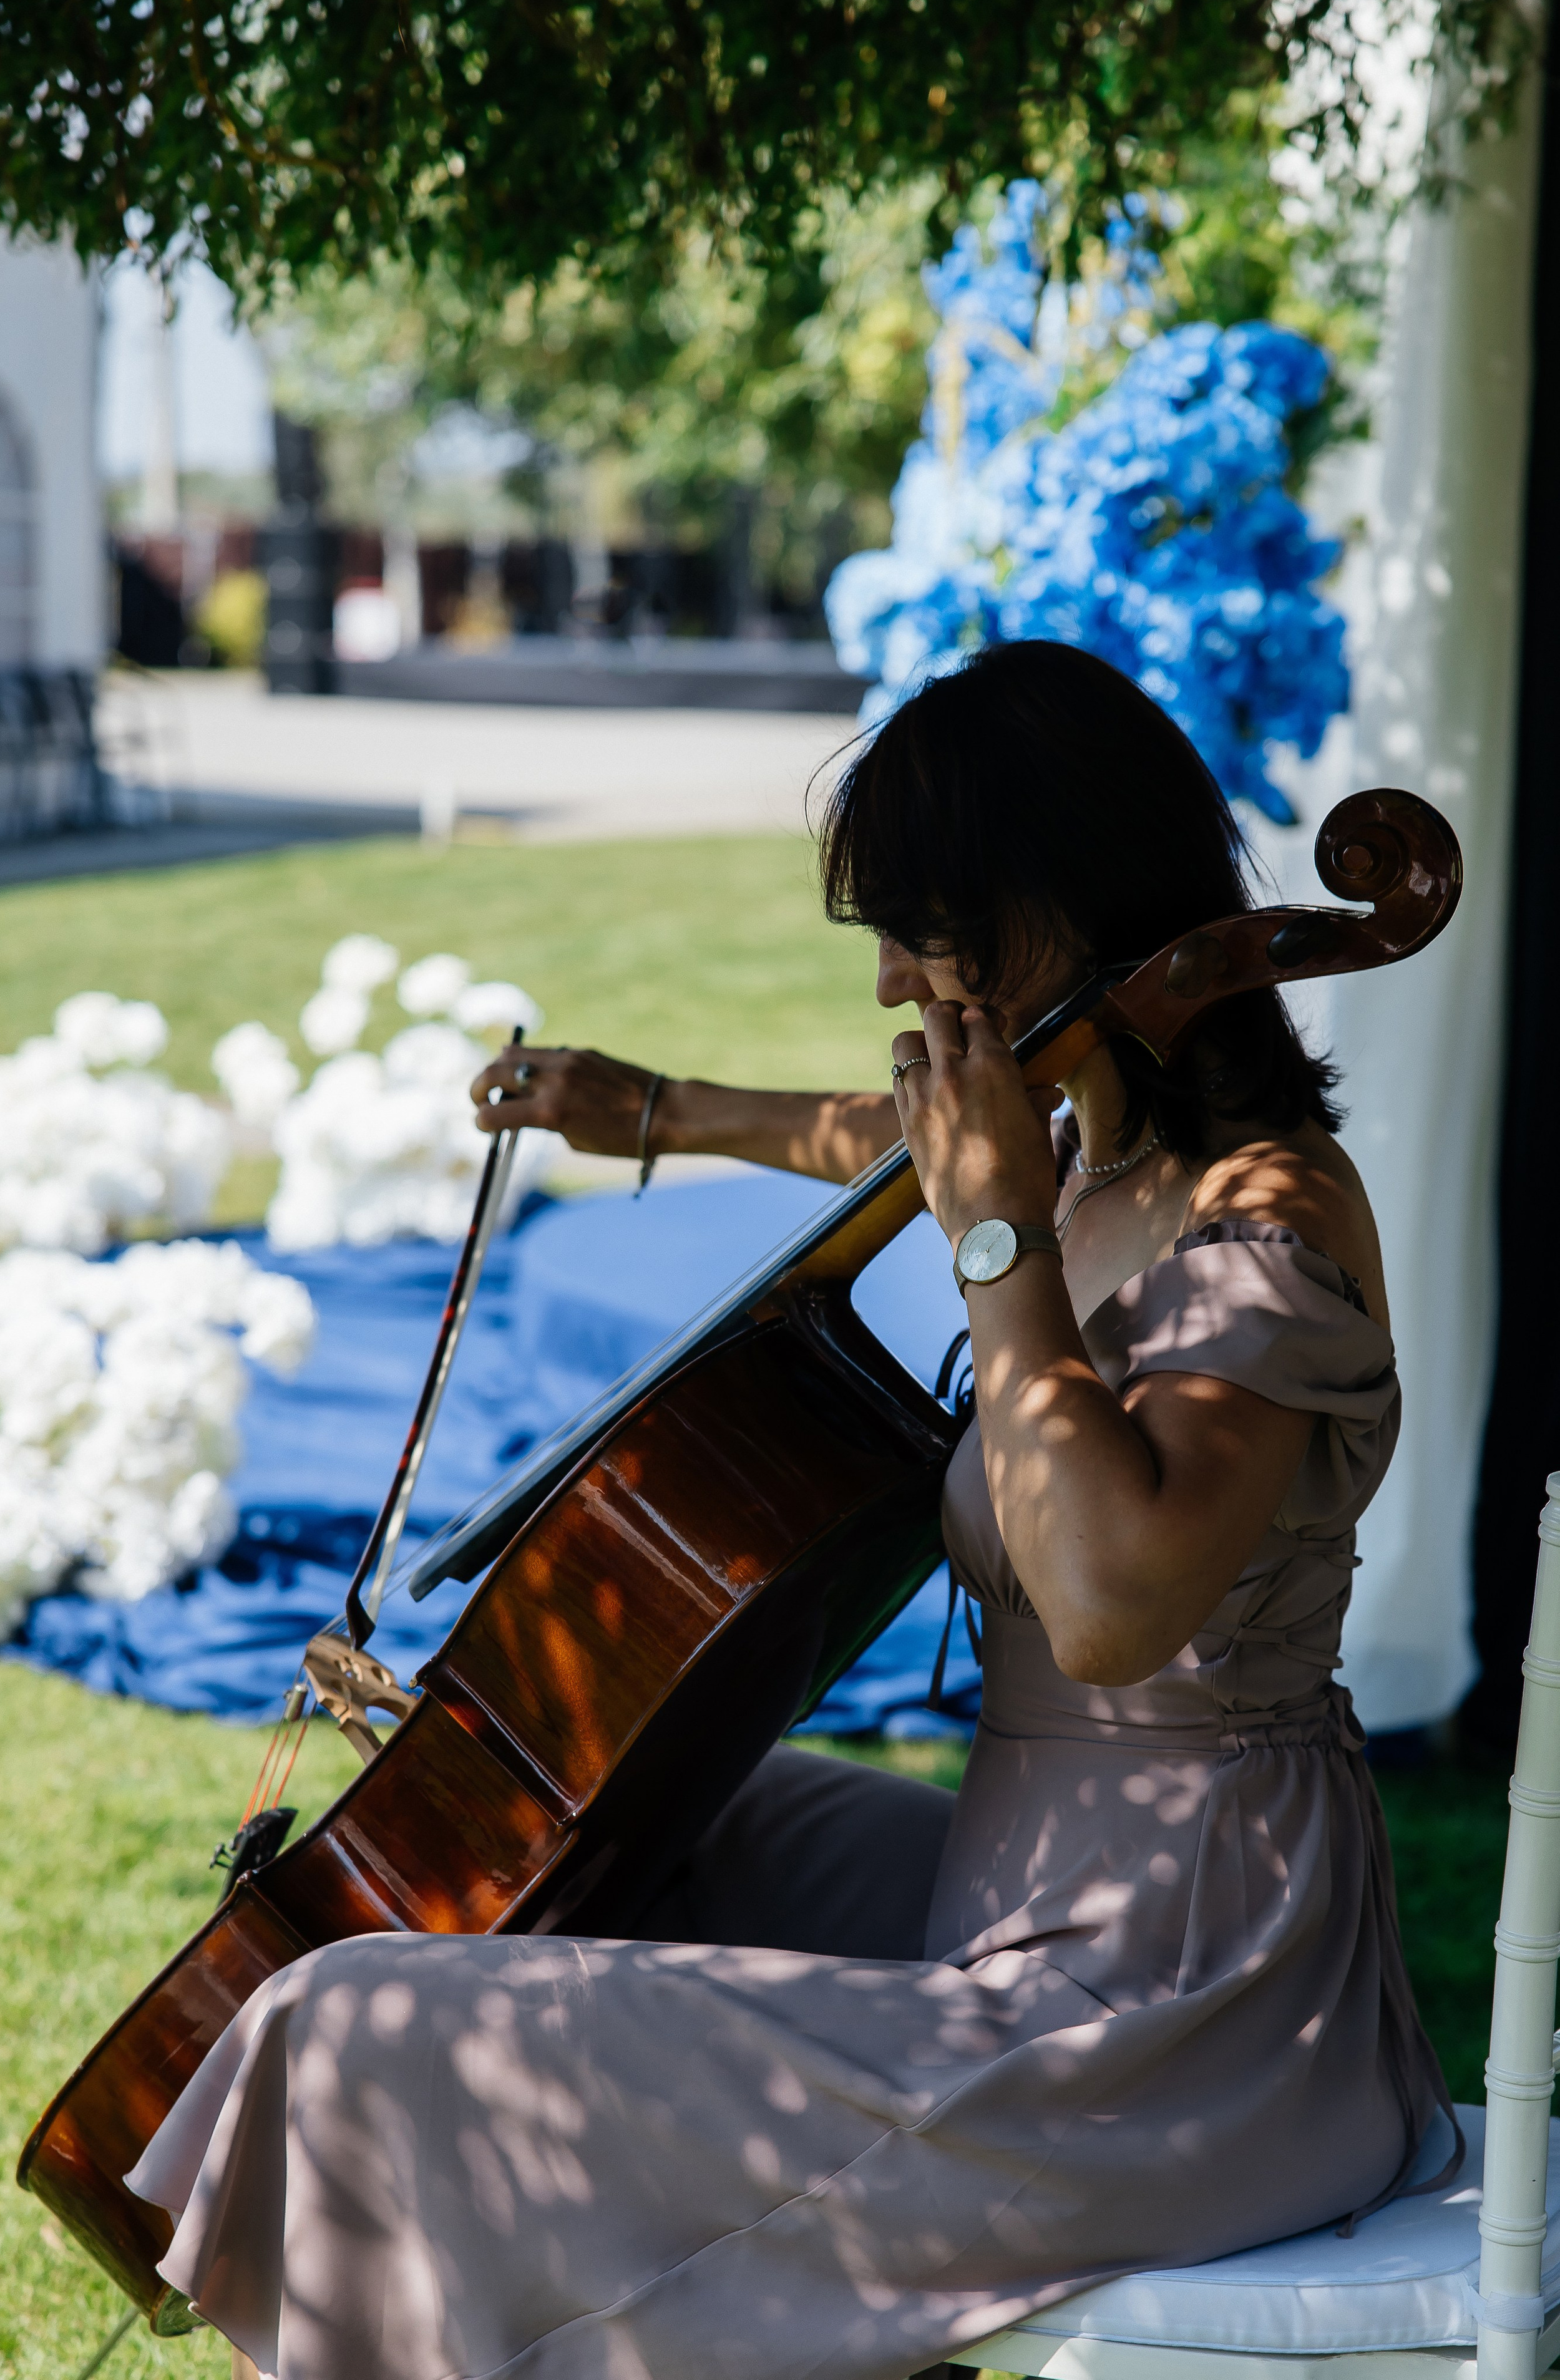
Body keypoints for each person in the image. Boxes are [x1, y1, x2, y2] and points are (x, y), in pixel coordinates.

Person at [130, 641, 1455, 2380]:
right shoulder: (1089, 1156)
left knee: (364, 2024)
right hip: (1039, 1881)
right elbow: (883, 1136)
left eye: (929, 926)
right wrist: (653, 1111)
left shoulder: (1263, 1213)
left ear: (1064, 905)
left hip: (1192, 2004)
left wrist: (997, 1249)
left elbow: (1117, 1603)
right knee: (631, 1843)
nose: (902, 979)